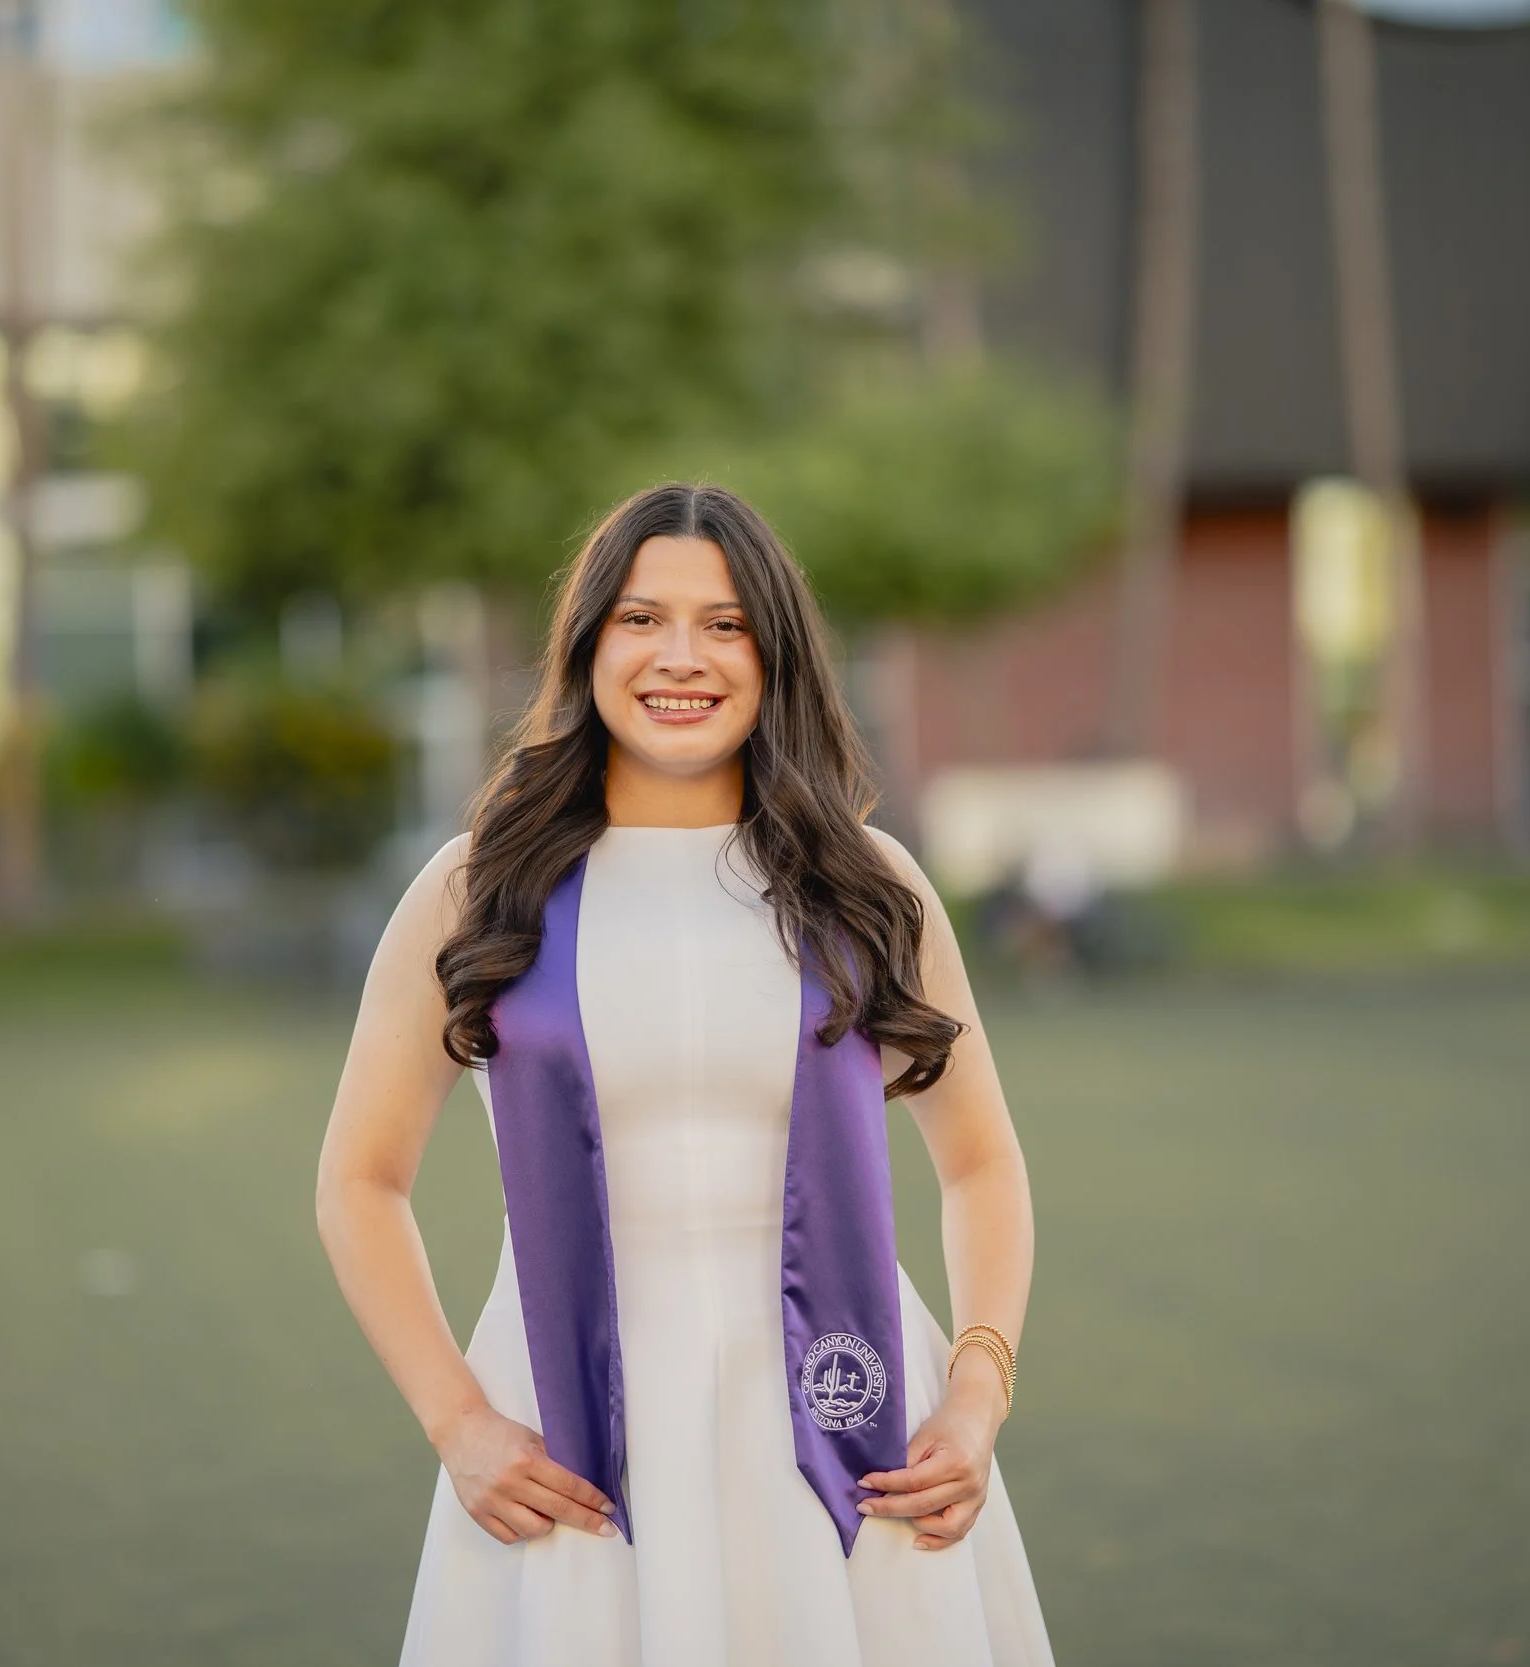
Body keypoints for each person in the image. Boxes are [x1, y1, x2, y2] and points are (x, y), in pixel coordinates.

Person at [316, 482, 1053, 1665]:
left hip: (852, 1419)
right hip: (569, 1429)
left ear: (777, 657)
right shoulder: (479, 886)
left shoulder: (870, 886)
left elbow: (980, 1163)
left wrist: (975, 1394)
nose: (681, 656)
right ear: (589, 641)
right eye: (641, 618)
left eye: (724, 625)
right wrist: (458, 1422)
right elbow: (359, 1178)